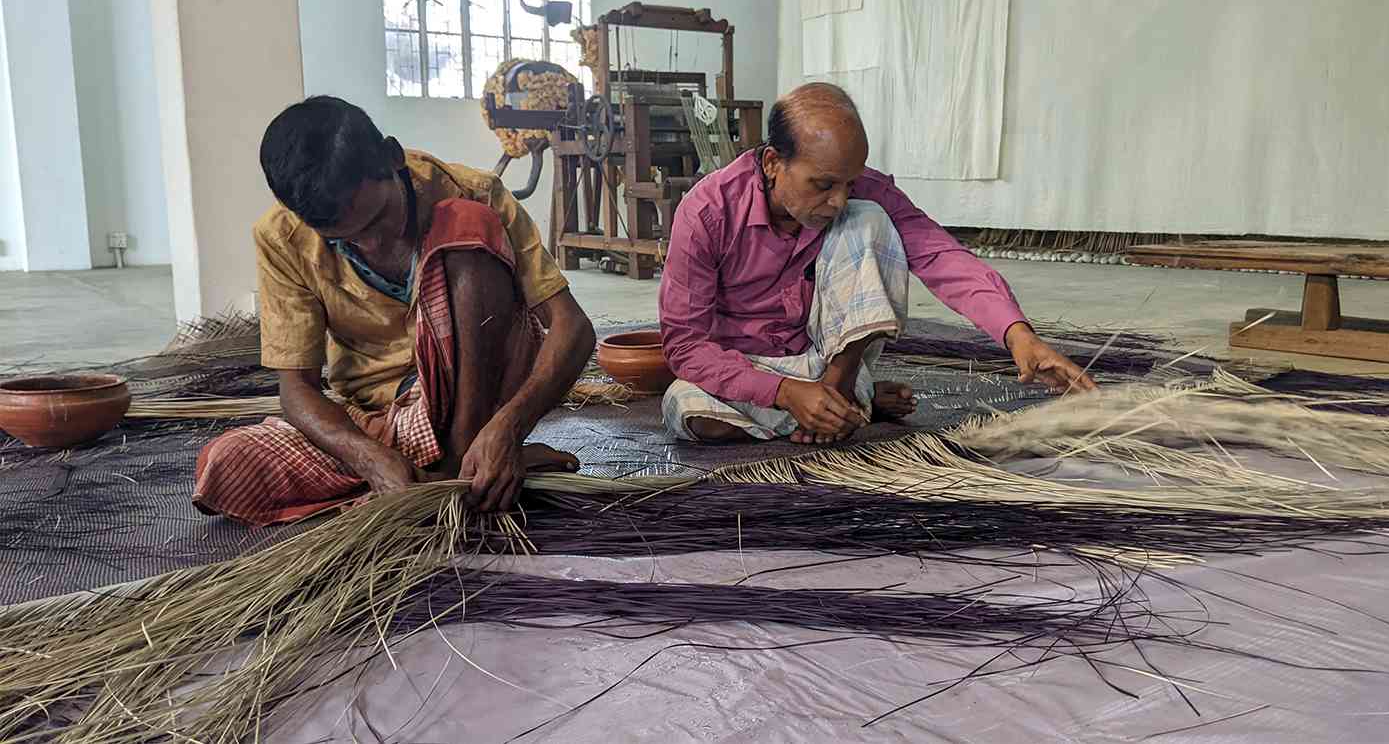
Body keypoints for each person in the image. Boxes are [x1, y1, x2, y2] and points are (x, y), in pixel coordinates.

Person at [192, 96, 595, 525]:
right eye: (343, 240)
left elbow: (572, 328)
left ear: (392, 156)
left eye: (377, 220)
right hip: (382, 422)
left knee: (466, 223)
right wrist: (368, 457)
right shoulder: (282, 236)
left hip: (481, 403)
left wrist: (508, 426)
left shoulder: (474, 192)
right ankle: (454, 473)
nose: (372, 243)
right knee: (226, 465)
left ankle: (464, 455)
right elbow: (296, 389)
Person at [659, 82, 1096, 445]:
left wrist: (1018, 335)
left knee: (869, 218)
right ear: (774, 163)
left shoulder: (859, 192)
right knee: (694, 413)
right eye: (823, 185)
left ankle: (838, 393)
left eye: (849, 182)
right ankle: (847, 405)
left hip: (825, 360)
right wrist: (785, 392)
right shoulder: (707, 213)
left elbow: (938, 253)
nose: (838, 199)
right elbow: (686, 345)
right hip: (746, 368)